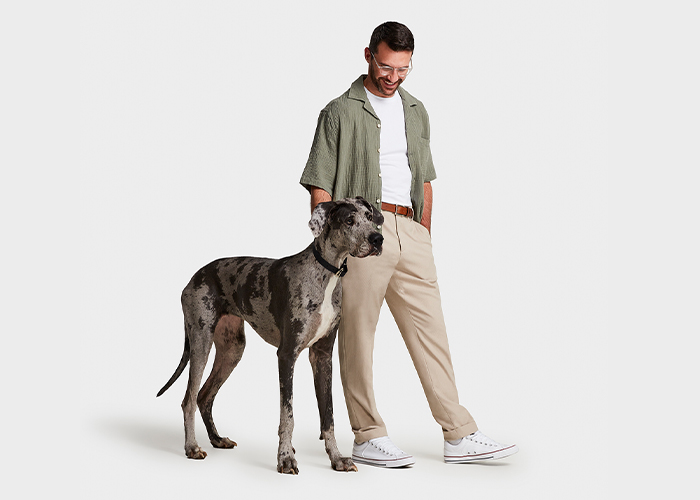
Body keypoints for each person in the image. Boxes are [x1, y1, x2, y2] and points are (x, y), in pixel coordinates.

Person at [300, 21, 518, 467]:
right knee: (358, 335)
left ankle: (458, 433)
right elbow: (320, 182)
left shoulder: (416, 110)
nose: (393, 77)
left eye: (403, 69)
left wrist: (424, 232)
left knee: (431, 331)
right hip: (359, 235)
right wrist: (329, 248)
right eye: (386, 66)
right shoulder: (338, 111)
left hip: (409, 230)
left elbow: (424, 177)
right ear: (368, 56)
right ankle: (367, 435)